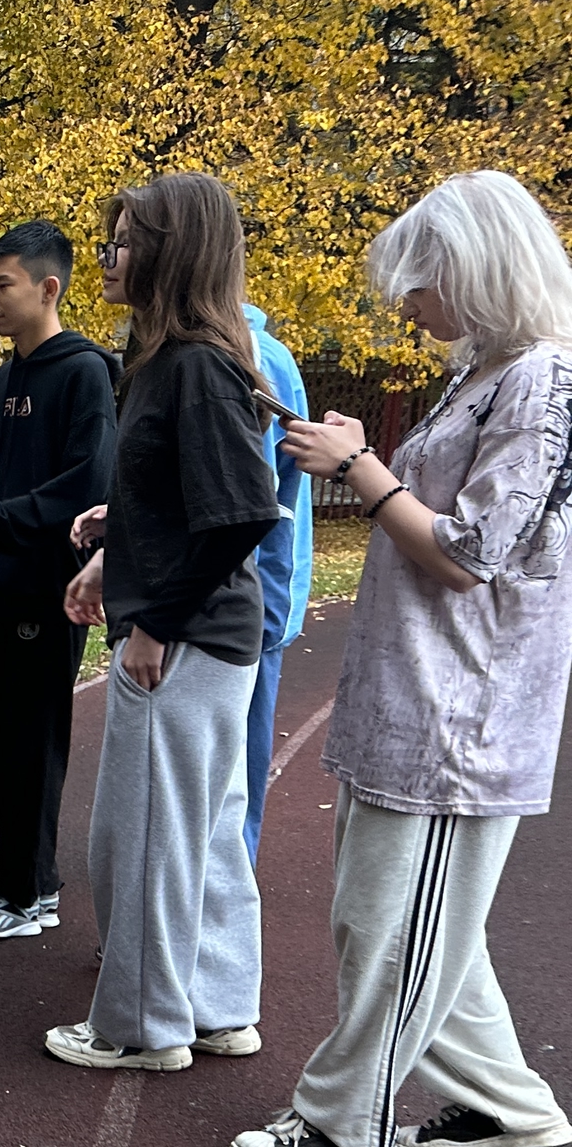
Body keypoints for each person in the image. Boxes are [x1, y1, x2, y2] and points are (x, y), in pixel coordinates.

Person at [231, 170, 572, 1147]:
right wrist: (350, 462)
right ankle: (502, 1102)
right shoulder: (484, 373)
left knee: (386, 924)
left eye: (418, 279)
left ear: (474, 268)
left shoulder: (539, 382)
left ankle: (345, 1117)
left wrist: (356, 469)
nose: (403, 303)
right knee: (419, 925)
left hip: (459, 707)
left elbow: (471, 554)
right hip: (413, 694)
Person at [47, 173, 272, 1072]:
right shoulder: (168, 360)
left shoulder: (195, 368)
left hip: (188, 641)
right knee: (206, 833)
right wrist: (115, 543)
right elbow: (186, 498)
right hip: (203, 634)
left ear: (173, 253)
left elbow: (242, 513)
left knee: (142, 838)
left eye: (128, 239)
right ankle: (217, 1006)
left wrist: (157, 625)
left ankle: (141, 1027)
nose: (110, 255)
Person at [0, 223, 119, 939]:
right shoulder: (4, 378)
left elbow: (86, 486)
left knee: (32, 740)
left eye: (1, 284)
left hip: (51, 588)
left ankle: (29, 894)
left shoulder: (84, 373)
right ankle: (21, 884)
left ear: (48, 287)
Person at [241, 301, 314, 861]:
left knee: (232, 779)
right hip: (214, 608)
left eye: (124, 246)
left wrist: (262, 622)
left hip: (242, 611)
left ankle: (212, 938)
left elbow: (261, 505)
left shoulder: (253, 356)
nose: (111, 261)